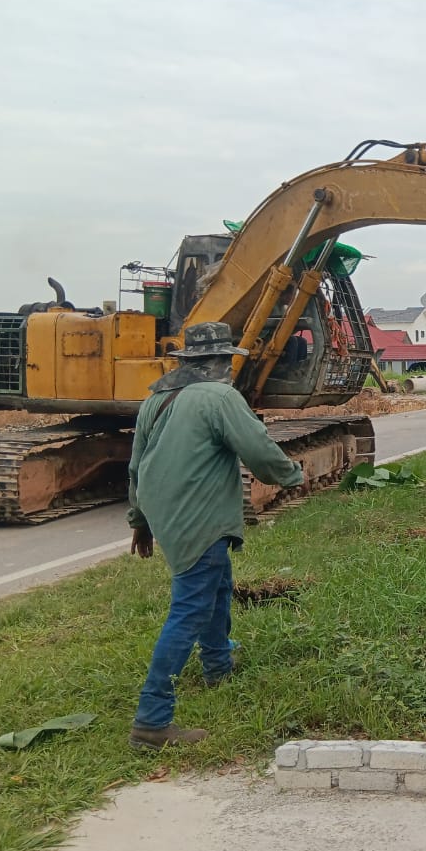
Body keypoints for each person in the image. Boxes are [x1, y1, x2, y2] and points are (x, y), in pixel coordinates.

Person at [126, 321, 304, 750]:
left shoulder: (158, 398)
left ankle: (218, 665)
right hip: (199, 518)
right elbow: (259, 448)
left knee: (218, 584)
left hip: (166, 515)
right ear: (221, 363)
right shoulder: (222, 397)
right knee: (189, 608)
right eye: (228, 362)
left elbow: (136, 465)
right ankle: (151, 720)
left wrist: (140, 523)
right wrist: (292, 476)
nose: (230, 370)